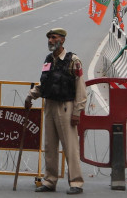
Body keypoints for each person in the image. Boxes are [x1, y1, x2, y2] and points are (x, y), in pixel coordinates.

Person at [25, 28, 87, 194]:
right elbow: (44, 83)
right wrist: (31, 96)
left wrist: (77, 112)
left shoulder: (73, 61)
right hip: (50, 106)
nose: (50, 41)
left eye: (53, 38)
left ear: (62, 40)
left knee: (70, 147)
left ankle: (76, 183)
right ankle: (50, 181)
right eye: (49, 38)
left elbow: (80, 88)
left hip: (66, 107)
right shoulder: (48, 60)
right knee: (49, 146)